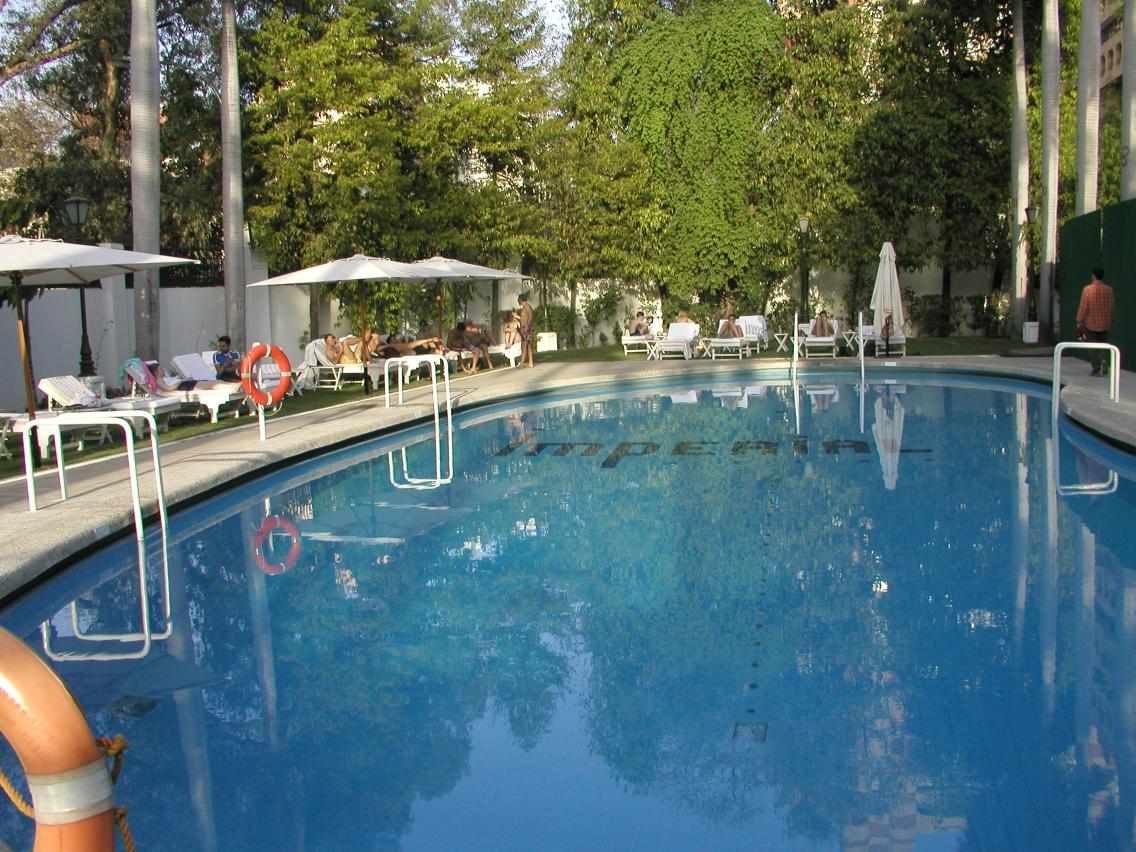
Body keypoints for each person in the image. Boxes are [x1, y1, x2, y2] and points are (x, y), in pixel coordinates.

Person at [1075, 267, 1116, 376]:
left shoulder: (1087, 289)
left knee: (1092, 346)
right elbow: (1111, 306)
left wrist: (1079, 320)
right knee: (1102, 344)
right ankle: (1103, 360)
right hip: (1104, 323)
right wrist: (1111, 318)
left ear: (1093, 275)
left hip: (1091, 323)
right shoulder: (1109, 289)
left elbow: (1084, 306)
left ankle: (1096, 369)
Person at [518, 292, 535, 368]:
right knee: (528, 346)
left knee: (524, 345)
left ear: (521, 299)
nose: (517, 300)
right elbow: (524, 318)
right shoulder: (524, 307)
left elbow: (530, 317)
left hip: (527, 328)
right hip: (525, 328)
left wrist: (527, 327)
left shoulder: (527, 306)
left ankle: (522, 363)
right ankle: (530, 362)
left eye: (518, 299)